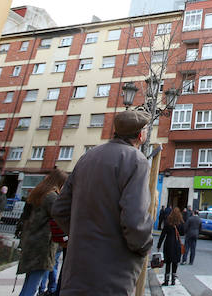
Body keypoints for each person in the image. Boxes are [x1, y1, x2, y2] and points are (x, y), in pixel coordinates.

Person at [52, 109, 153, 296]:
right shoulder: (136, 160)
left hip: (76, 269)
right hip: (112, 273)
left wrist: (81, 237)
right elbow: (134, 219)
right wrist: (144, 247)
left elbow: (60, 209)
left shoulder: (88, 157)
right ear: (141, 135)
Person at [17, 168, 68, 296]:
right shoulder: (51, 197)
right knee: (32, 285)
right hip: (42, 246)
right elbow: (61, 215)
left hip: (32, 242)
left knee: (29, 282)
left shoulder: (39, 193)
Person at [157, 207, 184, 286]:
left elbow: (163, 235)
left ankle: (166, 280)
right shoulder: (180, 223)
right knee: (175, 263)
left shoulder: (168, 222)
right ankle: (173, 280)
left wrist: (159, 245)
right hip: (177, 244)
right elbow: (182, 232)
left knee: (168, 263)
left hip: (168, 243)